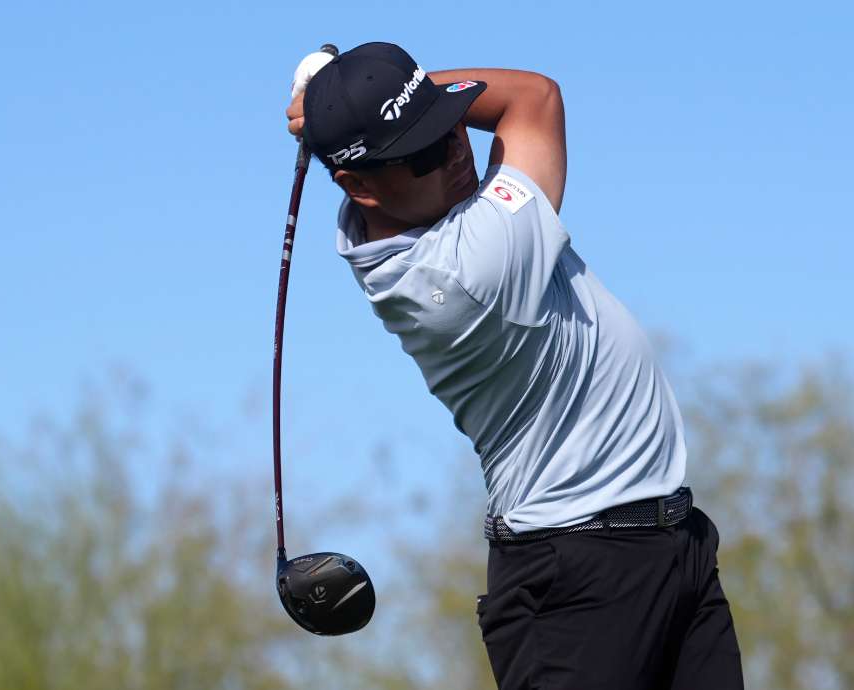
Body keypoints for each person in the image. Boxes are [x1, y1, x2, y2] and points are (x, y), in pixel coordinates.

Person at [286, 41, 744, 690]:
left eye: (447, 126)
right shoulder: (467, 272)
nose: (453, 152)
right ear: (359, 185)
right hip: (576, 582)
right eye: (420, 150)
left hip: (673, 546)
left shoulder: (403, 212)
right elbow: (533, 99)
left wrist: (364, 100)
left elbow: (466, 122)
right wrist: (367, 97)